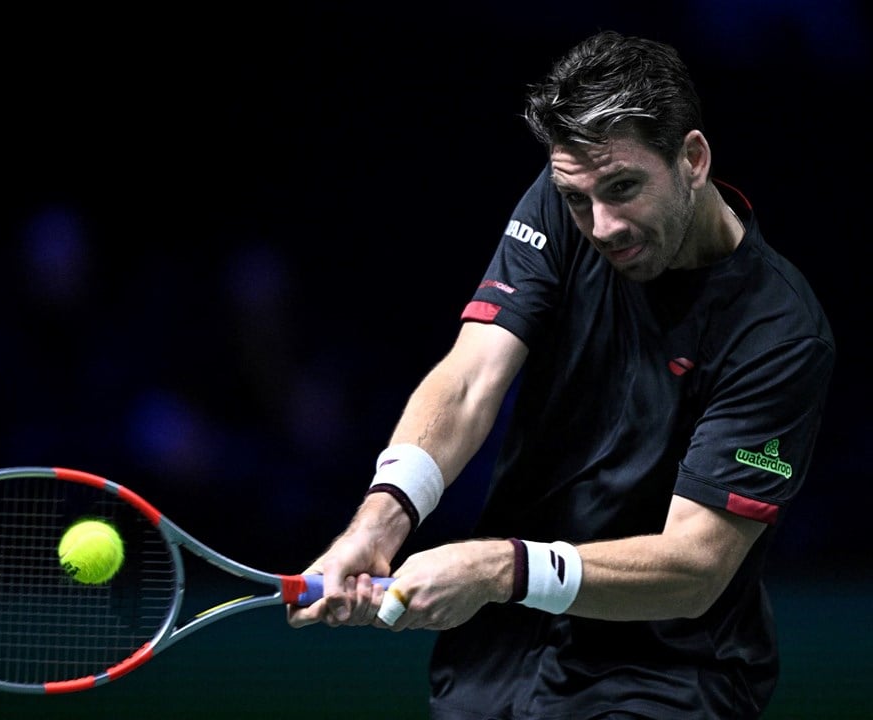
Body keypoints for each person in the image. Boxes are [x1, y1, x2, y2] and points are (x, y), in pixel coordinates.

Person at [286, 29, 835, 719]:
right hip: (499, 658)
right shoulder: (559, 198)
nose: (600, 225)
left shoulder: (780, 333)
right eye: (579, 198)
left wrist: (499, 568)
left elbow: (695, 566)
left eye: (624, 188)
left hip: (664, 675)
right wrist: (380, 520)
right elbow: (469, 377)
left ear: (692, 159)